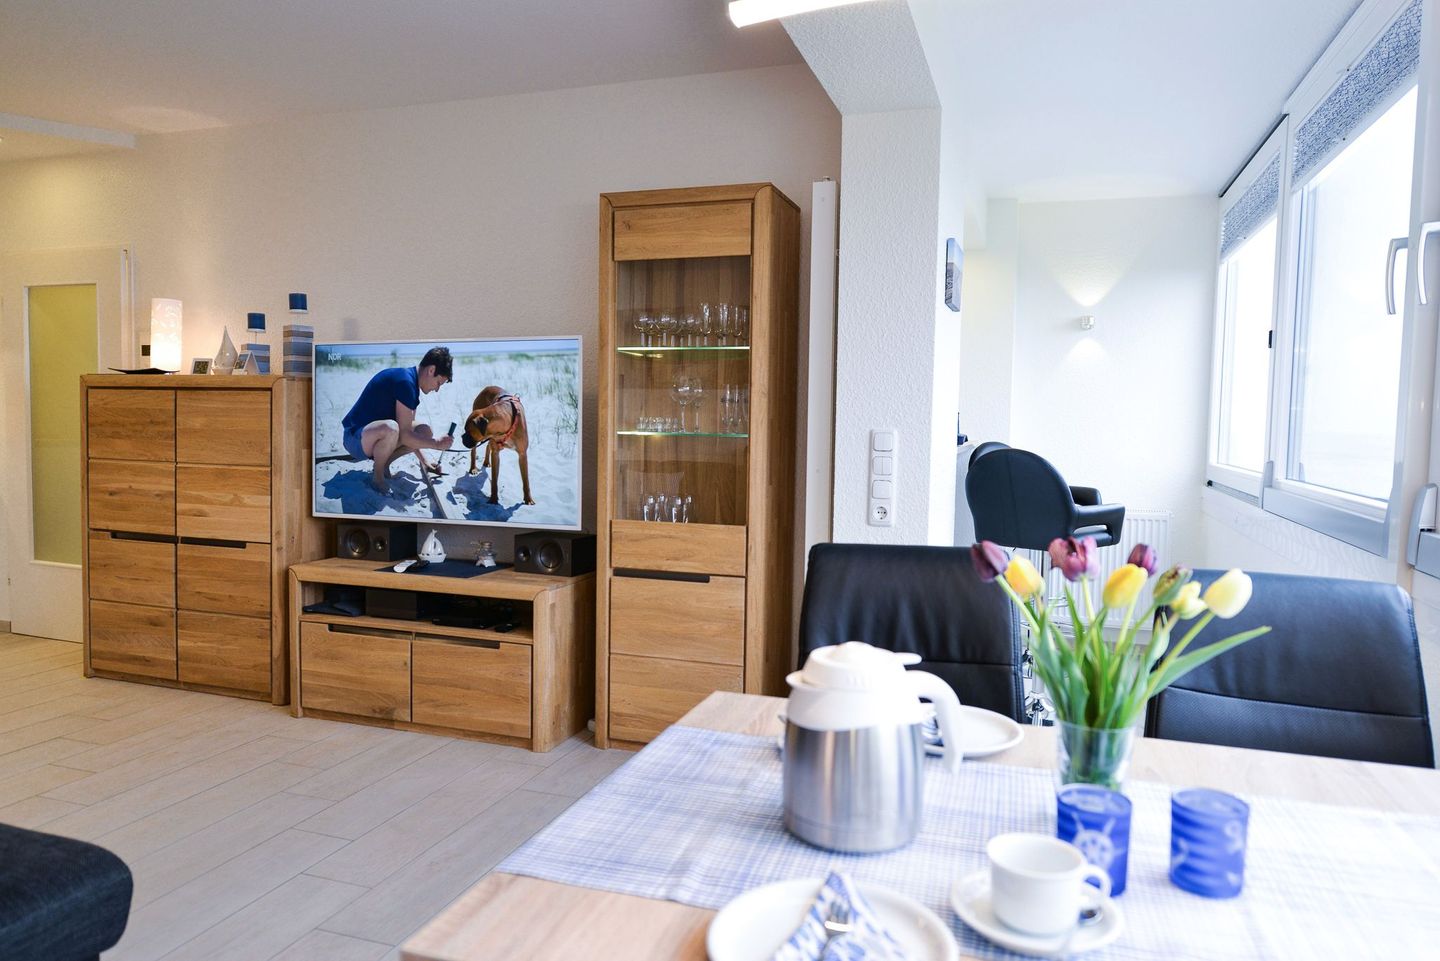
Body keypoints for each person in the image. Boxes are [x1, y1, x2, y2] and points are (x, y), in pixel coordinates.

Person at [341, 346, 455, 494]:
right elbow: (406, 436)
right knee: (391, 428)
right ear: (431, 370)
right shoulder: (405, 382)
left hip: (371, 436)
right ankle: (377, 478)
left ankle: (384, 464)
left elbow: (409, 433)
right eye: (439, 383)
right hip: (354, 439)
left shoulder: (412, 384)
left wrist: (425, 462)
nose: (437, 389)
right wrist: (437, 444)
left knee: (424, 431)